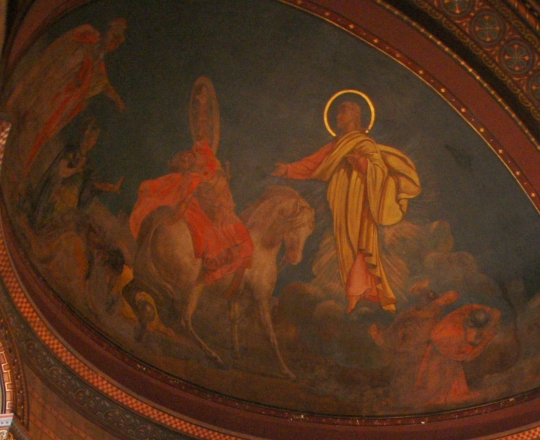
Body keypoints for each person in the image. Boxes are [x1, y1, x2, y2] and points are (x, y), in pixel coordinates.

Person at [273, 97, 420, 312]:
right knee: (344, 246)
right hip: (340, 202)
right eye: (336, 115)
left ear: (352, 116)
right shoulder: (335, 145)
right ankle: (354, 293)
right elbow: (312, 164)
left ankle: (363, 291)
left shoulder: (364, 143)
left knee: (361, 243)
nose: (337, 119)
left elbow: (378, 168)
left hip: (360, 202)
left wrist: (362, 164)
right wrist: (286, 169)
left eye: (341, 114)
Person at [130, 137, 254, 287]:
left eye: (187, 156)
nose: (187, 157)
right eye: (184, 159)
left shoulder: (202, 164)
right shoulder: (191, 173)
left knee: (239, 241)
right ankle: (211, 261)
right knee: (232, 238)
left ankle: (214, 262)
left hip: (207, 202)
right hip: (195, 198)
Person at [8, 19, 127, 175]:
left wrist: (118, 100)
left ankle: (19, 163)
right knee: (28, 117)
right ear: (108, 31)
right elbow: (63, 48)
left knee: (39, 130)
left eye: (115, 43)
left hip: (61, 104)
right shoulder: (87, 35)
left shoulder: (98, 66)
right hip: (50, 89)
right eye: (113, 36)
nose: (111, 43)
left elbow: (104, 85)